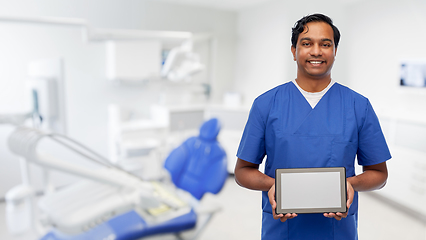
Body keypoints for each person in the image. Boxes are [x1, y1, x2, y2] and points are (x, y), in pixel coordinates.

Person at [234, 13, 391, 239]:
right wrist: (275, 186)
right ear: (293, 51)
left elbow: (379, 174)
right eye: (307, 43)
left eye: (325, 44)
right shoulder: (266, 104)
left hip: (338, 230)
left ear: (335, 51)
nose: (316, 51)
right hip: (282, 230)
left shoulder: (358, 105)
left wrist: (349, 184)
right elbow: (242, 172)